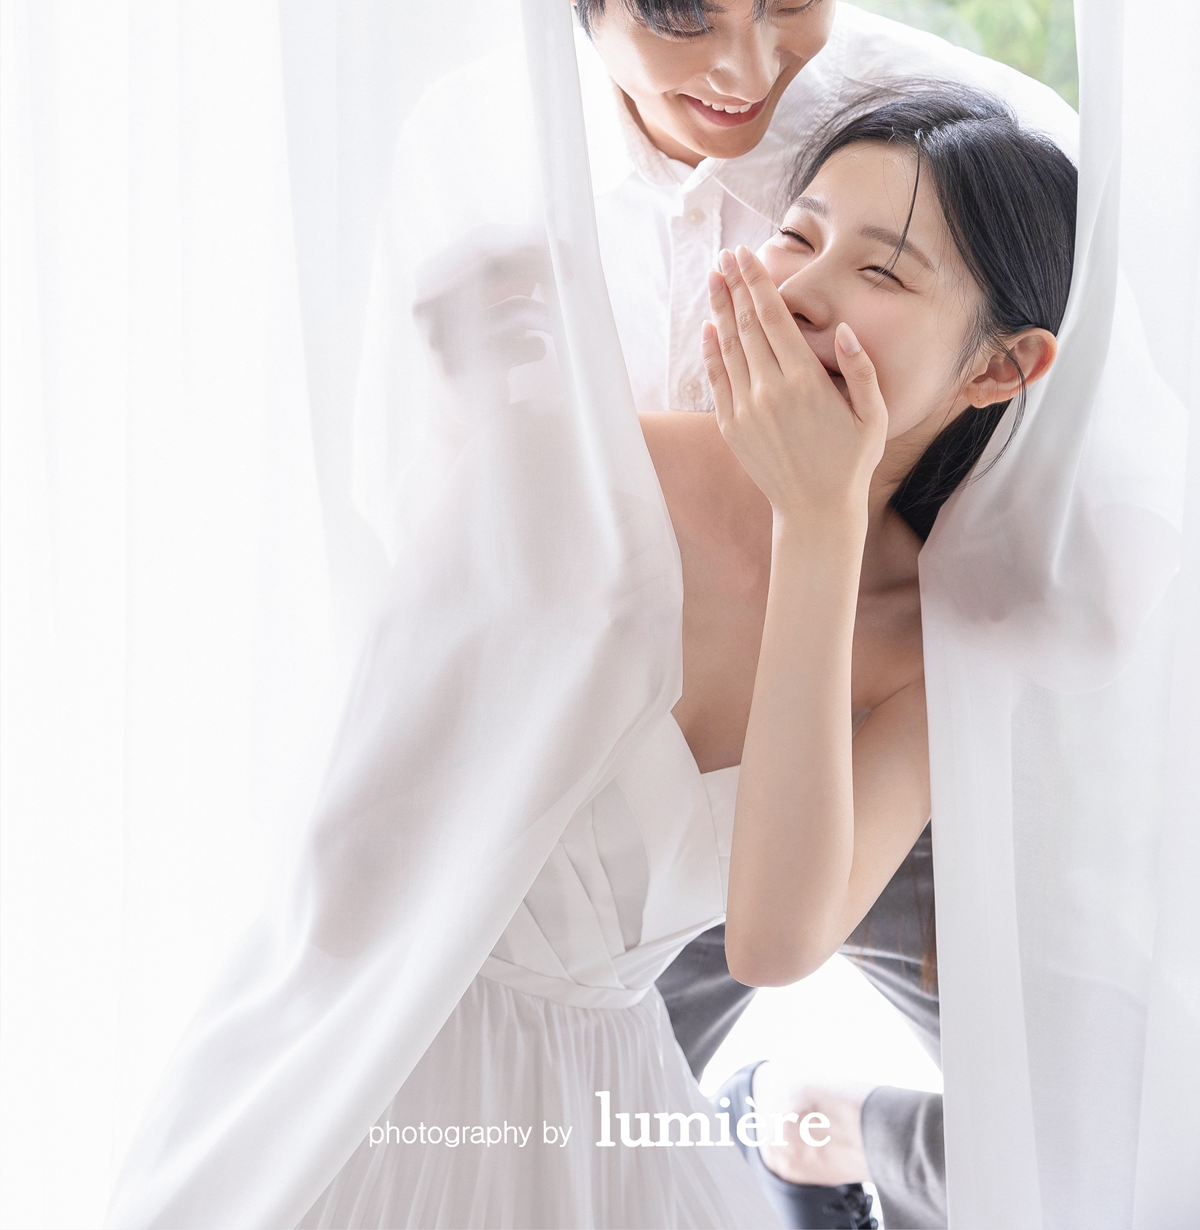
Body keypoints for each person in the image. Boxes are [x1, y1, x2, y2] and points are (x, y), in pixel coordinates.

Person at [295, 84, 1075, 1229]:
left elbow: (773, 942)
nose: (799, 291)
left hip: (601, 1125)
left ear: (998, 370)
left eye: (882, 270)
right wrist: (488, 439)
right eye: (797, 236)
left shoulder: (936, 649)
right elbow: (353, 861)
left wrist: (820, 526)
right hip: (366, 1062)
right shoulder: (578, 465)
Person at [549, 0, 1077, 1228]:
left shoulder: (941, 142)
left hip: (888, 669)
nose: (747, 61)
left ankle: (835, 1137)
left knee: (1056, 1106)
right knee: (589, 1079)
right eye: (685, 12)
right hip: (645, 708)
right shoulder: (511, 162)